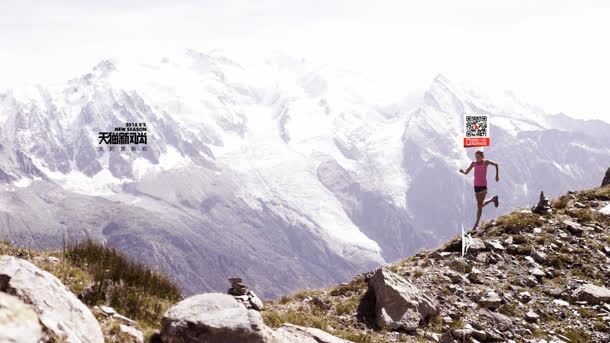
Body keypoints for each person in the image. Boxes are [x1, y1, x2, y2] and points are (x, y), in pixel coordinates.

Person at [460, 150, 499, 229]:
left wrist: (497, 175)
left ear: (482, 156)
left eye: (478, 156)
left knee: (479, 205)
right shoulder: (473, 163)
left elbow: (496, 164)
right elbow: (467, 172)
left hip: (483, 185)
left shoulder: (486, 162)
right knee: (479, 205)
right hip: (476, 186)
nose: (477, 158)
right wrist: (463, 172)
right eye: (476, 157)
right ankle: (493, 199)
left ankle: (476, 223)